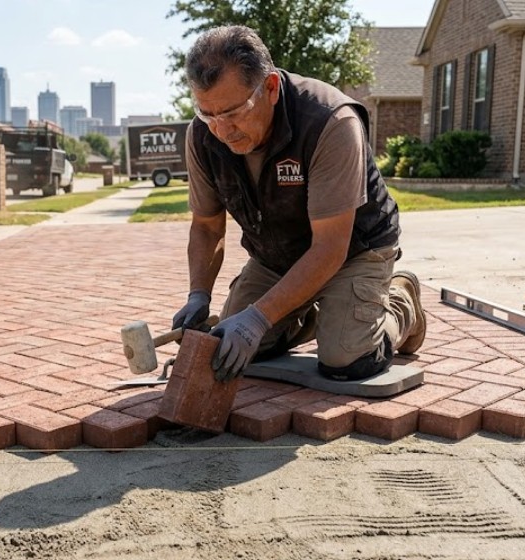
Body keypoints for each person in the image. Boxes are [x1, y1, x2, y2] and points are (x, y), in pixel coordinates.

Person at [171, 25, 426, 383]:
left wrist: (259, 317)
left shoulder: (329, 121)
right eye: (208, 114)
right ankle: (314, 310)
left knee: (346, 359)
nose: (222, 130)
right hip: (277, 255)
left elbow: (330, 248)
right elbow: (207, 225)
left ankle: (400, 304)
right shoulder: (202, 135)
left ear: (271, 88)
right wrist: (199, 294)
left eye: (233, 113)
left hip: (353, 250)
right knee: (231, 349)